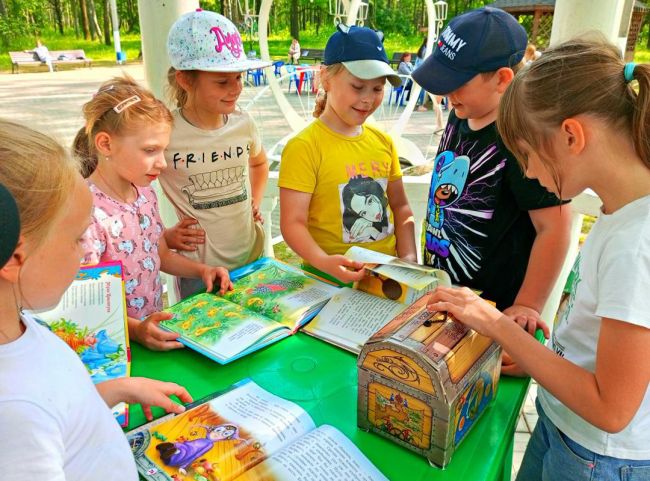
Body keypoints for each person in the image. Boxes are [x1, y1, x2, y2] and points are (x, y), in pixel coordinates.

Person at [428, 37, 650, 480]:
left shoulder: (637, 243)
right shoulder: (618, 210)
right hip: (564, 424)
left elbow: (611, 408)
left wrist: (497, 327)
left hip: (597, 455)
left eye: (526, 155)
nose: (526, 172)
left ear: (571, 136)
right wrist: (532, 346)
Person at [0, 119, 193, 480]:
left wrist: (114, 390)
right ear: (14, 257)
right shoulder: (15, 416)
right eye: (77, 239)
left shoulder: (18, 325)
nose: (84, 253)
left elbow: (59, 404)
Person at [412, 7, 572, 361]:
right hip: (447, 295)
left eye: (458, 82)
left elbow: (556, 226)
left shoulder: (522, 140)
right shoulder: (461, 113)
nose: (447, 93)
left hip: (494, 312)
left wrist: (527, 305)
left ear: (502, 79)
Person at [74, 76, 233, 351]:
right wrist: (137, 331)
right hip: (112, 347)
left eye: (164, 150)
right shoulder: (86, 213)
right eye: (150, 150)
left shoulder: (145, 193)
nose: (162, 162)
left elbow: (159, 256)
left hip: (153, 332)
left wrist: (203, 270)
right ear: (105, 144)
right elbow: (87, 303)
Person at [279, 24, 417, 284]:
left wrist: (408, 258)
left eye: (377, 89)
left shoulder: (384, 142)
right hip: (327, 282)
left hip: (385, 278)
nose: (368, 99)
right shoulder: (305, 146)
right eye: (357, 86)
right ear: (326, 79)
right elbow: (292, 223)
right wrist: (323, 261)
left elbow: (400, 206)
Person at [164, 9, 270, 299]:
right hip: (200, 272)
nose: (235, 89)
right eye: (222, 82)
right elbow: (133, 193)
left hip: (252, 258)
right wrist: (164, 236)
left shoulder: (243, 122)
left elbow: (259, 163)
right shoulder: (164, 132)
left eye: (239, 78)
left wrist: (255, 201)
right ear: (186, 80)